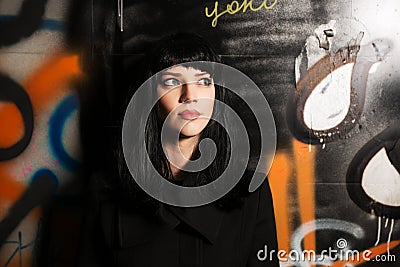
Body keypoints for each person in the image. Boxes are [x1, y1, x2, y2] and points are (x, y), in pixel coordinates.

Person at [77, 33, 279, 267]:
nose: (190, 96)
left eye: (203, 81)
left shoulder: (249, 191)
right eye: (173, 81)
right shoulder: (106, 191)